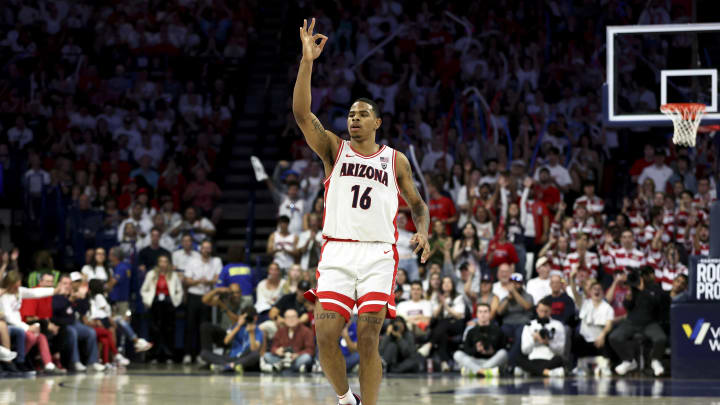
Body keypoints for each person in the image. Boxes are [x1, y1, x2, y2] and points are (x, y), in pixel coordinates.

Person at [294, 18, 431, 405]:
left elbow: (419, 207)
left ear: (377, 122)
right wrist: (307, 62)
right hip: (337, 251)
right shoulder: (333, 150)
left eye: (361, 114)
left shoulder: (395, 160)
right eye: (351, 114)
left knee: (369, 338)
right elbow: (303, 115)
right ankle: (345, 399)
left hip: (377, 253)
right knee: (324, 336)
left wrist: (423, 231)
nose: (354, 118)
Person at [609, 267, 667, 377]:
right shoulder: (633, 288)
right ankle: (628, 361)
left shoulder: (655, 288)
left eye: (644, 276)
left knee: (660, 338)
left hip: (649, 322)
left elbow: (656, 303)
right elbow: (628, 307)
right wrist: (628, 299)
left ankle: (655, 360)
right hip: (631, 322)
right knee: (614, 337)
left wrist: (643, 290)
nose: (641, 279)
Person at [183, 240, 222, 364]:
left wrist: (208, 282)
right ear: (200, 249)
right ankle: (188, 353)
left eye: (209, 248)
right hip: (194, 295)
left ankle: (203, 354)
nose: (206, 250)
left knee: (204, 327)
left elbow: (217, 279)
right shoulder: (192, 262)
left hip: (208, 297)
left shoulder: (216, 261)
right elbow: (187, 280)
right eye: (204, 248)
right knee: (190, 326)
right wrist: (199, 281)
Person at [568, 272, 613, 377]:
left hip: (599, 340)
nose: (596, 291)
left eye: (599, 289)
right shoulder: (584, 303)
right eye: (594, 289)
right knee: (576, 335)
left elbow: (609, 324)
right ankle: (579, 365)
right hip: (585, 340)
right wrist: (572, 279)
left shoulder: (607, 307)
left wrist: (602, 335)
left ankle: (605, 366)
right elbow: (574, 292)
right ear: (590, 292)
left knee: (609, 337)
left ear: (602, 292)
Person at [141, 255, 184, 363]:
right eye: (161, 261)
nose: (163, 264)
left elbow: (179, 291)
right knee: (154, 330)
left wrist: (176, 302)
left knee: (169, 330)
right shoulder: (151, 274)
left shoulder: (173, 275)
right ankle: (153, 355)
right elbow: (143, 290)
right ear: (158, 263)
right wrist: (147, 301)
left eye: (165, 262)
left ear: (168, 263)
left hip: (169, 304)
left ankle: (169, 355)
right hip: (155, 304)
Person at [200, 306, 264, 373]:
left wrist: (251, 333)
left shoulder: (258, 331)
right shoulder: (237, 326)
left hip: (244, 357)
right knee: (204, 353)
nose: (247, 319)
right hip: (231, 357)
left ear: (255, 318)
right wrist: (238, 325)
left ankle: (225, 366)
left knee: (255, 355)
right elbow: (226, 341)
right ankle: (231, 366)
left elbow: (254, 349)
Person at [516, 297, 567, 377]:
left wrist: (547, 343)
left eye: (546, 311)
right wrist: (534, 339)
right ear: (537, 310)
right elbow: (525, 350)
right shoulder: (529, 326)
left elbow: (561, 350)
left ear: (551, 310)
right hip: (533, 359)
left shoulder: (558, 325)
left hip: (550, 359)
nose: (543, 314)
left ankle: (533, 371)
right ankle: (547, 372)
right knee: (518, 358)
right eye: (541, 311)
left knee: (560, 359)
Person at [453, 303, 507, 377]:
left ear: (489, 314)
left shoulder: (497, 330)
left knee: (503, 353)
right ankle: (484, 371)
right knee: (457, 354)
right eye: (480, 312)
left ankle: (474, 371)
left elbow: (503, 348)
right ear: (477, 314)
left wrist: (492, 351)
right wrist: (476, 349)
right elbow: (466, 350)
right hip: (475, 360)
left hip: (491, 360)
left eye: (485, 311)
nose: (483, 314)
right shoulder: (471, 331)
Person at [262, 309, 315, 373]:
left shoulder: (306, 331)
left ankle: (284, 369)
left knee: (306, 358)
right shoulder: (280, 331)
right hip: (282, 358)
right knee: (266, 355)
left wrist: (297, 354)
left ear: (298, 318)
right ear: (285, 320)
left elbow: (310, 350)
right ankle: (288, 368)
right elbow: (273, 347)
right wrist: (277, 351)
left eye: (293, 317)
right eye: (288, 317)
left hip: (297, 359)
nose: (291, 319)